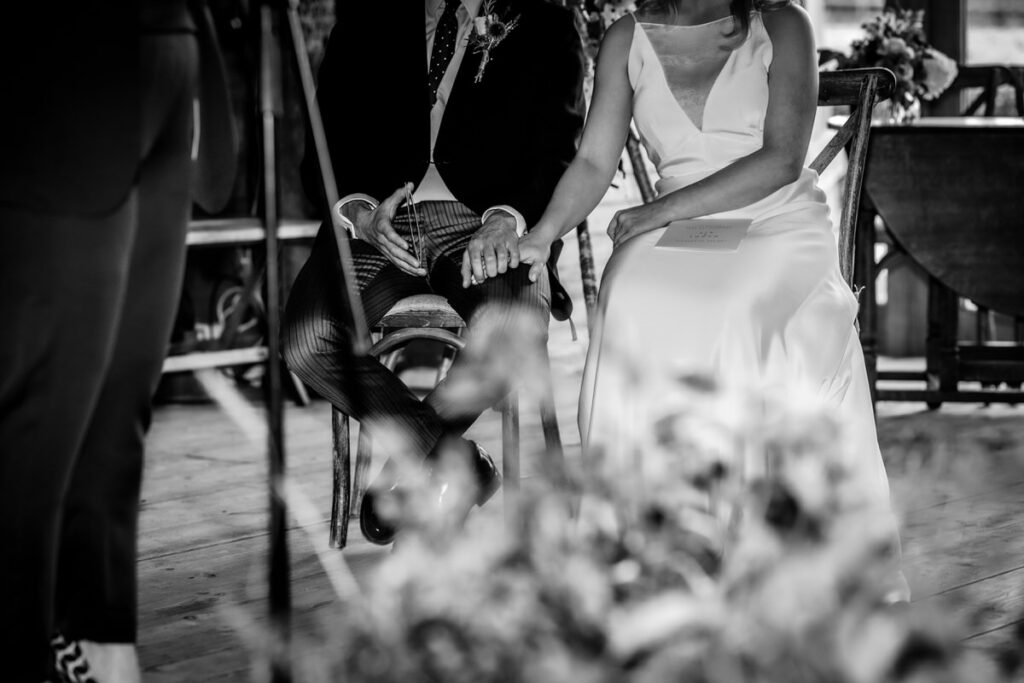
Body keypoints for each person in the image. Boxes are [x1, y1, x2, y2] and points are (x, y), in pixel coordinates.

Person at [517, 0, 897, 524]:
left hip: (774, 219)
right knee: (630, 290)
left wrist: (657, 211)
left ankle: (742, 528)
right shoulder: (625, 38)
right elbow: (592, 159)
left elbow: (783, 159)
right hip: (677, 228)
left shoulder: (785, 24)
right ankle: (642, 528)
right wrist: (541, 234)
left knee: (732, 301)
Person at [281, 0, 585, 545]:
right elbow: (325, 137)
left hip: (485, 223)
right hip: (378, 222)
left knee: (513, 326)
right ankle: (455, 460)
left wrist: (505, 219)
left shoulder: (543, 20)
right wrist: (357, 211)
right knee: (307, 341)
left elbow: (559, 152)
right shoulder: (367, 13)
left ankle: (405, 467)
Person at [0, 1, 234, 680]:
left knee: (119, 398)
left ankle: (101, 645)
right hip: (62, 61)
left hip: (170, 52)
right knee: (38, 420)